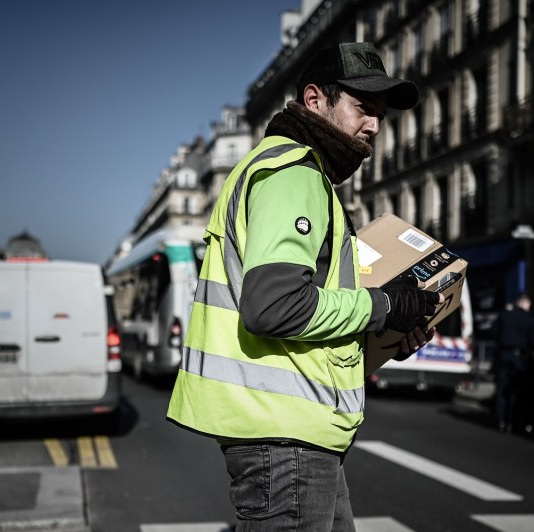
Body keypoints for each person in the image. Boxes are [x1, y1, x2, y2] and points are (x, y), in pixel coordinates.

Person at [167, 42, 441, 531]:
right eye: (363, 108)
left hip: (294, 435)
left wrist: (386, 336)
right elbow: (274, 307)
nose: (374, 126)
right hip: (284, 439)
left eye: (380, 115)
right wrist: (383, 307)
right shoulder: (295, 174)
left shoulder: (301, 177)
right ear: (315, 100)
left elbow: (307, 314)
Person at [492, 292, 534, 432]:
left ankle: (499, 419)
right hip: (519, 357)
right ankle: (510, 421)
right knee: (515, 389)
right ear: (526, 304)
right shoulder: (530, 319)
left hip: (503, 354)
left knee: (501, 388)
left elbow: (493, 332)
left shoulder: (505, 315)